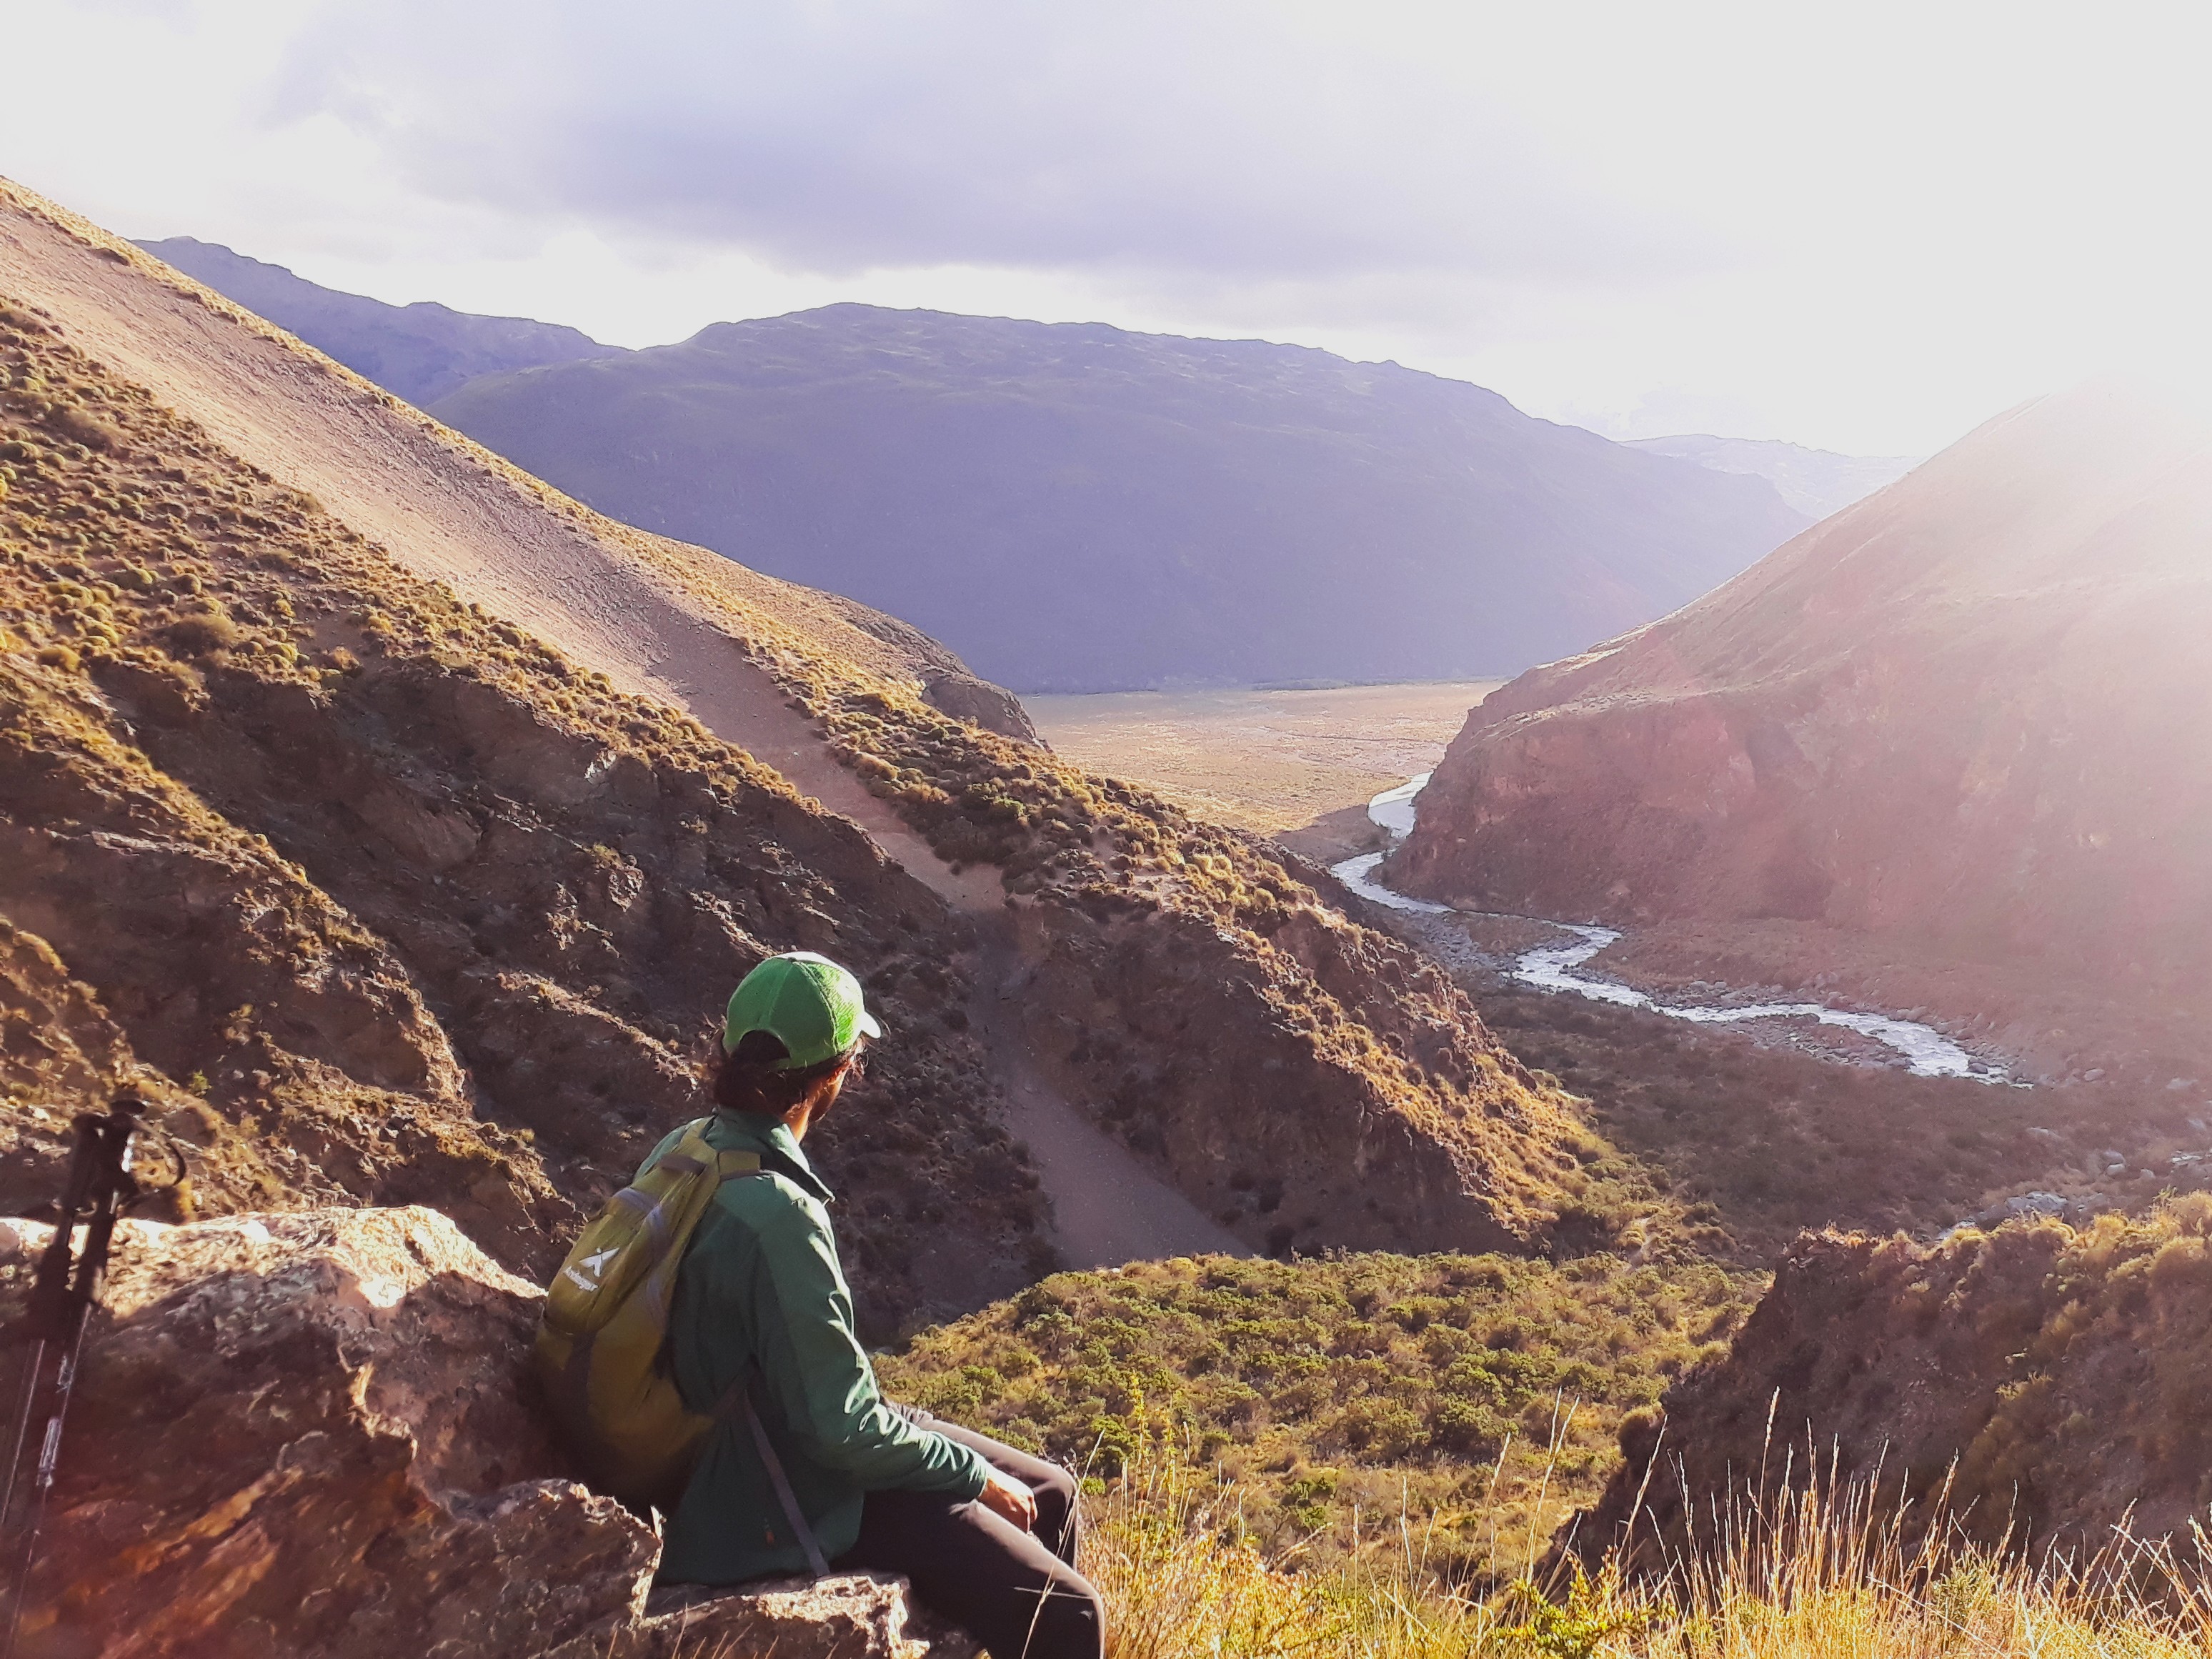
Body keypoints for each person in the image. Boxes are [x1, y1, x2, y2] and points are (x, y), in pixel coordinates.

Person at [651, 950, 1105, 1659]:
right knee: (1072, 1614)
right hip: (777, 1486)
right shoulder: (778, 1215)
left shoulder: (686, 1148)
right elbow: (842, 1432)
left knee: (1052, 1491)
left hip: (772, 1427)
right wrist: (973, 1476)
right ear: (833, 1076)